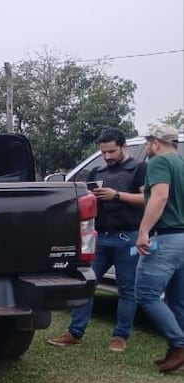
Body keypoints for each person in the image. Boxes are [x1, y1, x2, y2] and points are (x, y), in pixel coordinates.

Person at [48, 127, 146, 352]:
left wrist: (117, 195)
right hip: (100, 236)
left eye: (112, 151)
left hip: (128, 237)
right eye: (104, 152)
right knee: (86, 284)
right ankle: (75, 332)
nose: (108, 156)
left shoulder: (139, 169)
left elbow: (147, 198)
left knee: (127, 289)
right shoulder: (97, 172)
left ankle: (120, 336)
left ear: (123, 147)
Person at [133, 123, 184, 373]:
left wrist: (143, 231)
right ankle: (177, 351)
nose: (146, 146)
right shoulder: (181, 163)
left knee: (145, 294)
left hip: (166, 238)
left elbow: (161, 196)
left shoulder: (159, 163)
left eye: (147, 141)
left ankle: (179, 344)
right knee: (177, 300)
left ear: (156, 143)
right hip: (182, 238)